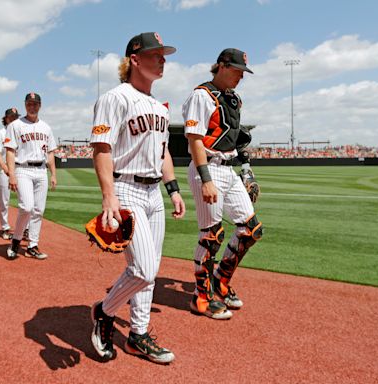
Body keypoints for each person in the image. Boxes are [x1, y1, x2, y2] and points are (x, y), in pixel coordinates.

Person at [89, 32, 185, 365]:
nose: (162, 60)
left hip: (153, 191)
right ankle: (104, 311)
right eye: (155, 54)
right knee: (142, 269)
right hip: (126, 187)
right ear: (134, 59)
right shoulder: (115, 98)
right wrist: (108, 197)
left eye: (163, 54)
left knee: (151, 270)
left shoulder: (159, 106)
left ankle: (138, 336)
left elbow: (164, 152)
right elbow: (102, 148)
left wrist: (172, 189)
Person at [182, 48, 263, 320]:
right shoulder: (201, 96)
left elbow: (239, 140)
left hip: (229, 171)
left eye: (243, 72)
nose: (241, 76)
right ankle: (201, 297)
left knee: (251, 230)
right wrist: (206, 180)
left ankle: (220, 279)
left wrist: (247, 172)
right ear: (222, 66)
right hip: (208, 168)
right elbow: (194, 140)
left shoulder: (234, 99)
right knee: (211, 235)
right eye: (238, 70)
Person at [5, 93, 57, 260]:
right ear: (25, 105)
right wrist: (11, 174)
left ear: (40, 105)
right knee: (26, 207)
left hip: (41, 170)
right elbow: (10, 151)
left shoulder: (46, 127)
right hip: (23, 169)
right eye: (29, 103)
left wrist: (53, 174)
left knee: (38, 210)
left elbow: (50, 153)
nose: (32, 106)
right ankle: (15, 241)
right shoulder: (15, 125)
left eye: (35, 104)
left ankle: (32, 245)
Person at [0, 107, 20, 240]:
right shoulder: (0, 133)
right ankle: (5, 227)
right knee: (4, 201)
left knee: (25, 201)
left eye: (16, 117)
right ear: (6, 118)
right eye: (11, 117)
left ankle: (25, 228)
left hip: (20, 170)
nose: (14, 119)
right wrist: (5, 168)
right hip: (6, 171)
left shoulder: (21, 132)